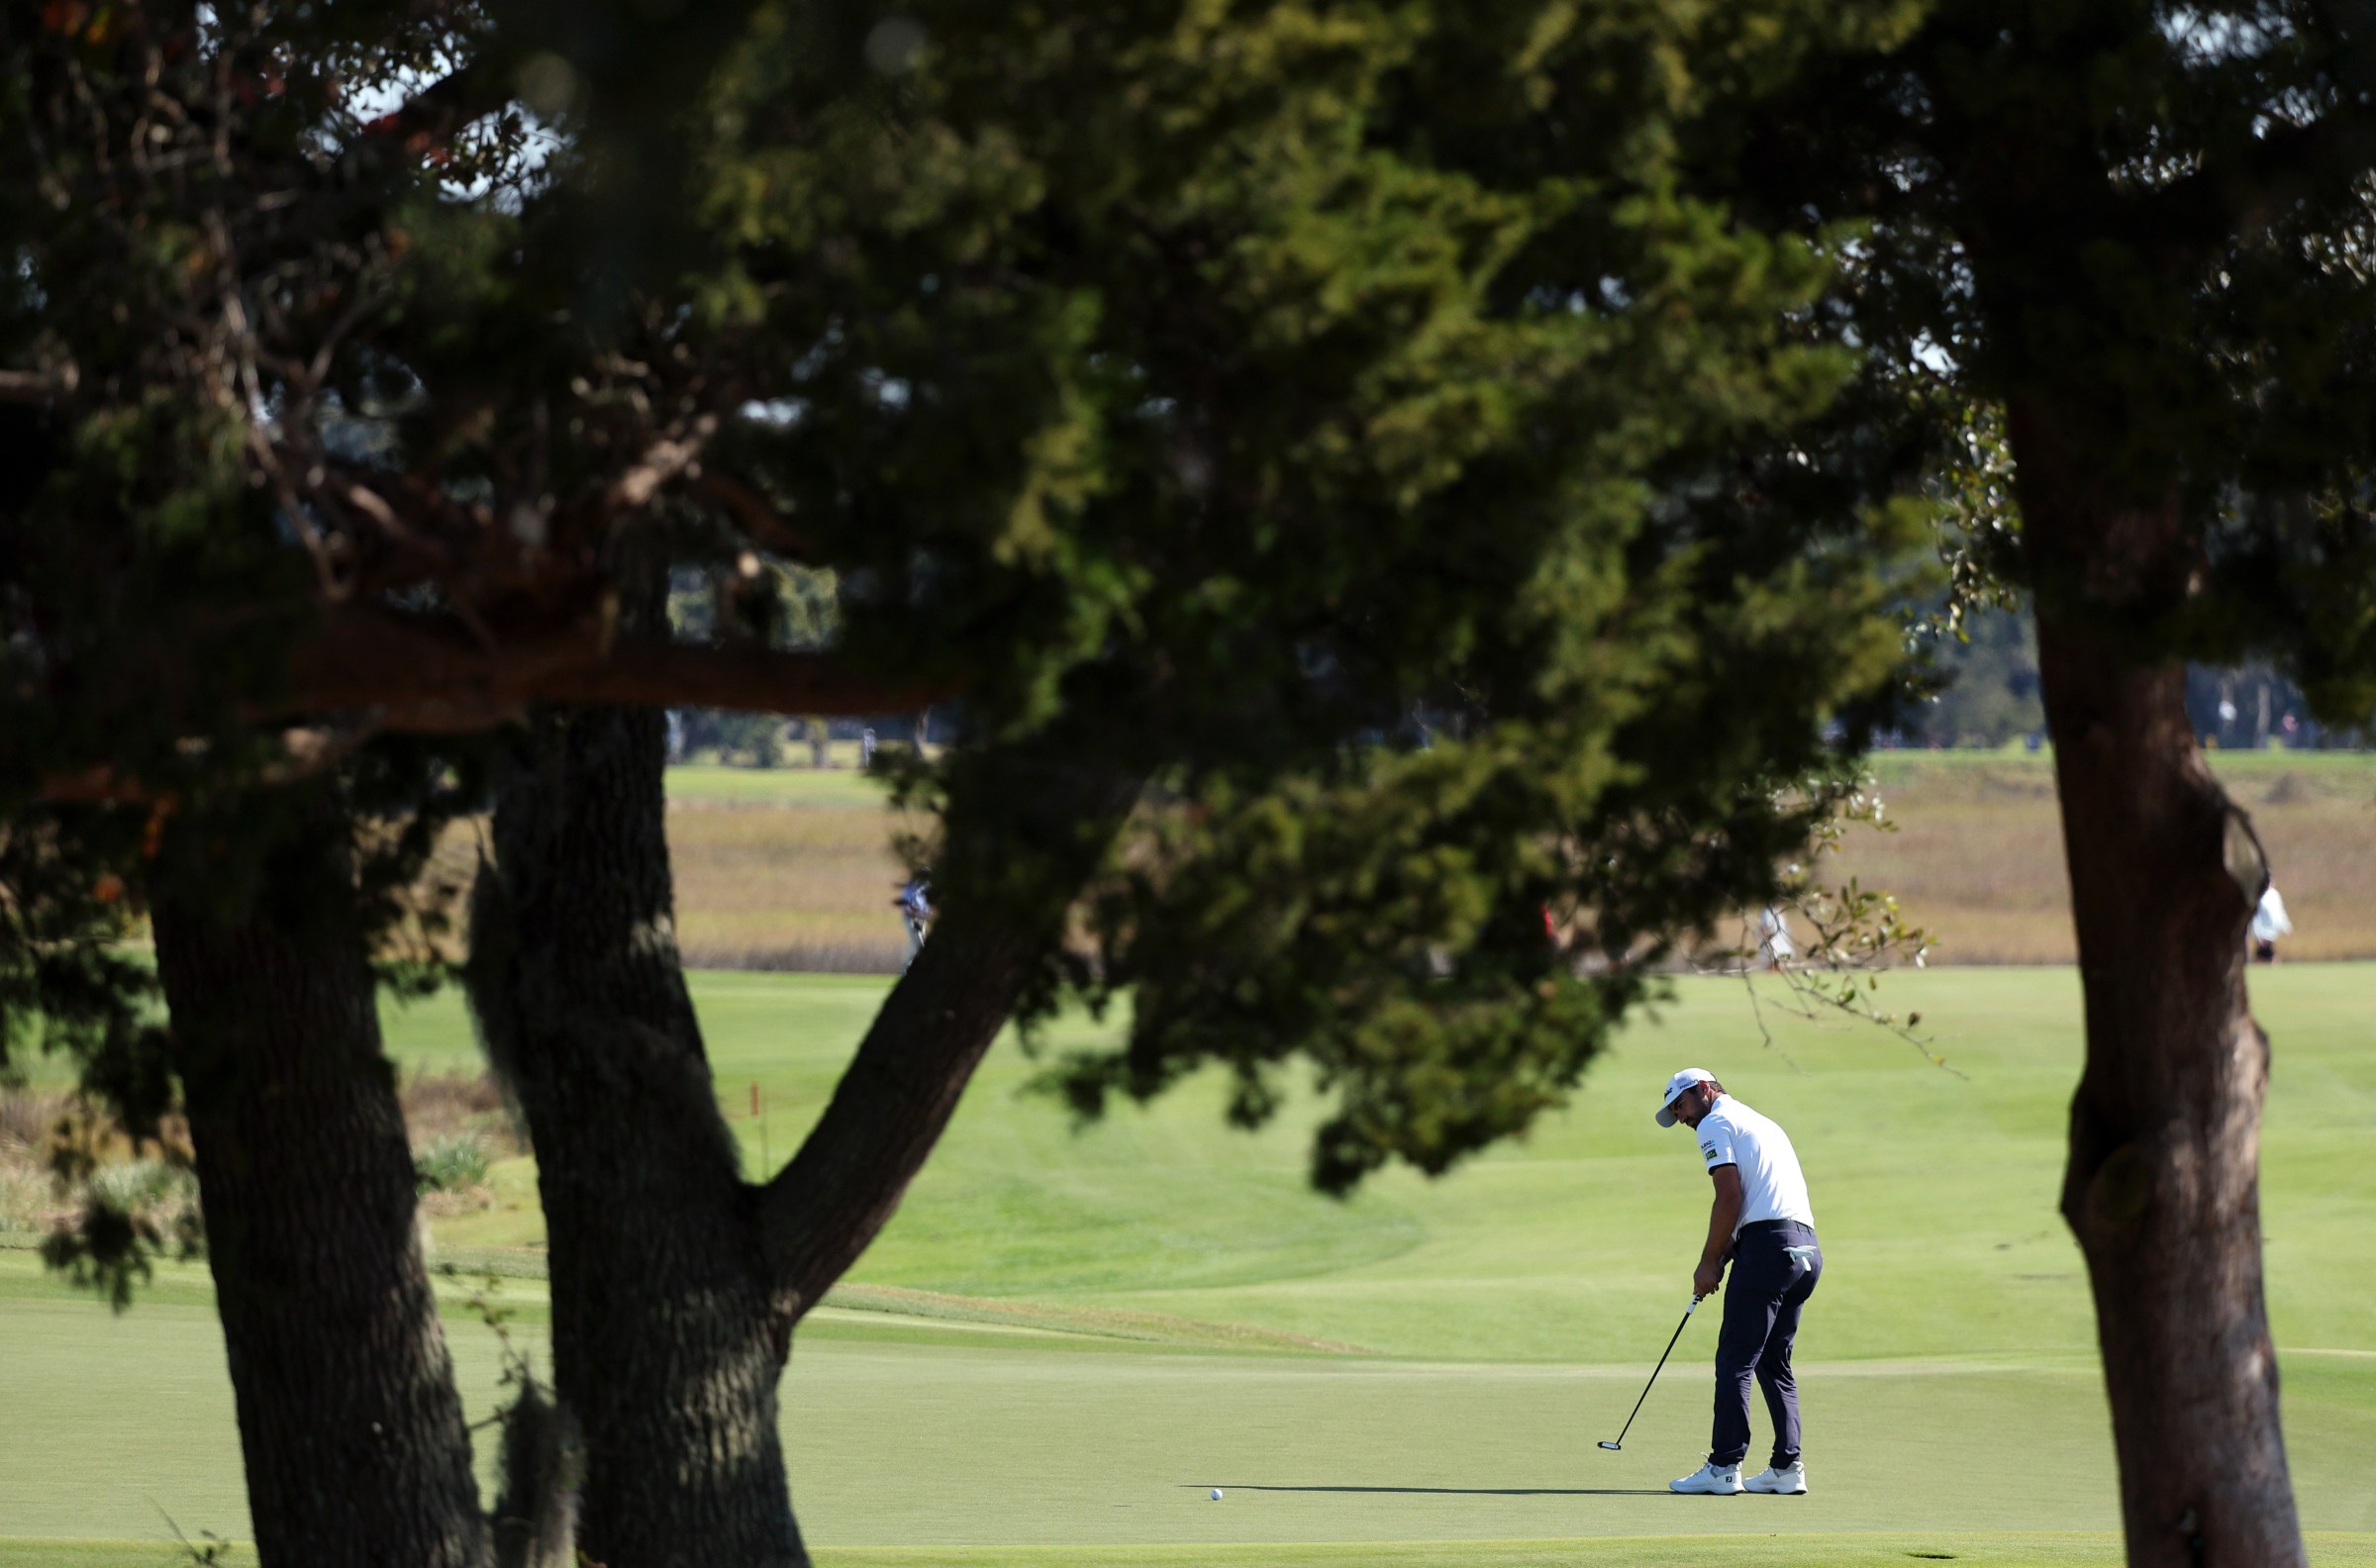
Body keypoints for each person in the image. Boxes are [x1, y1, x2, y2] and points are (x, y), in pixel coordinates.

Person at [1654, 1067, 1824, 1497]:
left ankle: (1724, 1465)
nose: (1682, 1116)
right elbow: (1760, 1196)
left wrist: (1708, 1260)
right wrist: (1734, 1245)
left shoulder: (1715, 1122)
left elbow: (1728, 1194)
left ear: (1706, 1090)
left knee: (1735, 1360)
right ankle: (1787, 1468)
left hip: (1768, 1248)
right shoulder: (1762, 1121)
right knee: (1773, 1361)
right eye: (1675, 1110)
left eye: (1683, 1103)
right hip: (1804, 1249)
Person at [895, 874, 933, 970]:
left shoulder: (925, 891)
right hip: (911, 920)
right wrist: (920, 914)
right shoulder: (909, 891)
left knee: (915, 945)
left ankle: (906, 968)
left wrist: (926, 914)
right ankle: (906, 969)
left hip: (921, 920)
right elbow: (908, 909)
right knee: (918, 943)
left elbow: (927, 908)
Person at [2251, 883, 2292, 963]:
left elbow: (2280, 911)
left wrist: (2286, 926)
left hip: (2272, 931)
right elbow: (2256, 916)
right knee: (2261, 956)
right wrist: (2258, 934)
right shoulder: (2259, 895)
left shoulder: (2275, 894)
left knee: (2268, 955)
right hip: (2262, 932)